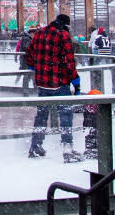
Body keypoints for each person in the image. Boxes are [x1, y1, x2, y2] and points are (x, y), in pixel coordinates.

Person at [25, 14, 82, 162]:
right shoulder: (63, 35)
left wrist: (36, 67)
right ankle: (67, 148)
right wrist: (76, 81)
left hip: (43, 83)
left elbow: (29, 55)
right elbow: (69, 62)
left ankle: (35, 146)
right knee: (66, 115)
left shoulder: (40, 33)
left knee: (41, 115)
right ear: (65, 25)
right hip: (60, 83)